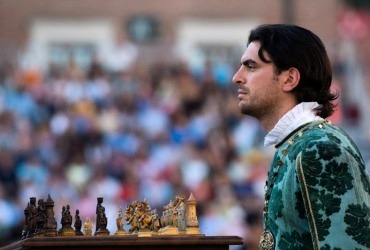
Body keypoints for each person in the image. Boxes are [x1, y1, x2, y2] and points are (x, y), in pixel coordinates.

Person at [232, 24, 370, 250]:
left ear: (289, 79)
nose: (237, 78)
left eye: (251, 66)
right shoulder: (295, 143)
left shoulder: (321, 148)